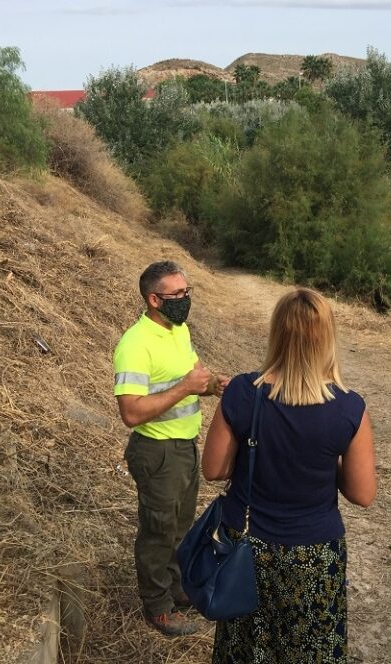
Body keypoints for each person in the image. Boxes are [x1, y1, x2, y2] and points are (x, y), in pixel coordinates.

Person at [202, 287, 376, 664]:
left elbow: (213, 470)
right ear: (327, 337)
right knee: (310, 648)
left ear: (276, 333)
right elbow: (363, 493)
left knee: (246, 645)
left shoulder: (242, 394)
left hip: (246, 546)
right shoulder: (349, 407)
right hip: (313, 551)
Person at [113, 260, 229, 636]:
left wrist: (214, 385)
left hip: (183, 448)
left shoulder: (178, 331)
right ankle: (157, 606)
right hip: (156, 451)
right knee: (157, 532)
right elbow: (130, 412)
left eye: (186, 292)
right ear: (154, 299)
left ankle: (177, 588)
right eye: (176, 295)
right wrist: (185, 387)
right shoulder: (135, 345)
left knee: (179, 527)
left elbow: (195, 375)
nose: (184, 300)